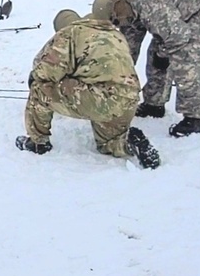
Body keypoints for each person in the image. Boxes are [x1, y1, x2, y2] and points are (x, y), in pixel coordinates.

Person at [16, 9, 160, 169]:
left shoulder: (69, 33)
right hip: (128, 98)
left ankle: (37, 143)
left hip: (100, 97)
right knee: (107, 143)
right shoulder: (114, 33)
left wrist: (37, 78)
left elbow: (45, 71)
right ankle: (129, 143)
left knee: (39, 88)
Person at [90, 0, 200, 137]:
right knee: (154, 56)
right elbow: (128, 52)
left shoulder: (150, 5)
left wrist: (163, 53)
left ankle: (194, 116)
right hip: (178, 15)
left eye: (115, 20)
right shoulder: (126, 11)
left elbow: (179, 37)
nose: (117, 25)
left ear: (117, 8)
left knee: (185, 61)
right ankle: (154, 104)